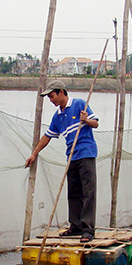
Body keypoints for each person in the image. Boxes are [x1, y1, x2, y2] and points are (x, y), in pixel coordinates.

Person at [25, 79, 99, 243]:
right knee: (73, 192)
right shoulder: (58, 115)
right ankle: (76, 226)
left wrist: (86, 120)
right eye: (49, 97)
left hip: (86, 152)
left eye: (52, 96)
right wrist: (34, 153)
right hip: (71, 155)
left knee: (88, 192)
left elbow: (95, 124)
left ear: (61, 92)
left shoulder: (79, 104)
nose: (51, 100)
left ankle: (87, 230)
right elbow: (47, 136)